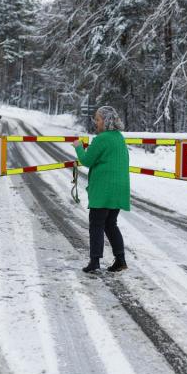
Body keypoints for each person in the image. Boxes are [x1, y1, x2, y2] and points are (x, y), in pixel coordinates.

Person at [72, 106, 130, 273]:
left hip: (104, 189)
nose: (95, 123)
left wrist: (78, 147)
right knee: (111, 224)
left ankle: (94, 262)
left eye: (97, 119)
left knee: (96, 225)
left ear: (106, 121)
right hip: (119, 188)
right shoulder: (119, 138)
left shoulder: (101, 139)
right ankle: (120, 260)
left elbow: (87, 160)